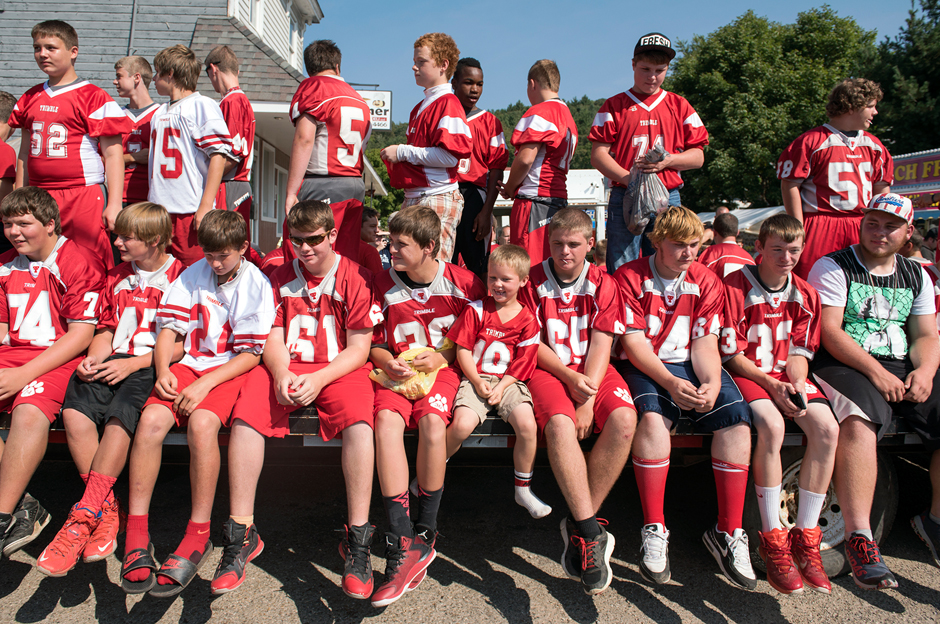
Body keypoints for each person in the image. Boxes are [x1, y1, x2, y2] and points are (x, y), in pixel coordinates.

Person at [222, 201, 380, 597]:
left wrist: (321, 377)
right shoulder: (276, 274)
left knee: (361, 427)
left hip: (338, 367)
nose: (306, 249)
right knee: (245, 420)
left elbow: (359, 348)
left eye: (314, 240)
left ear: (331, 236)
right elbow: (271, 337)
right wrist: (280, 372)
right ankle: (241, 531)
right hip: (288, 365)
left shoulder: (356, 276)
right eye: (298, 241)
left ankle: (358, 540)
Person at [120, 210, 275, 596]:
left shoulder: (255, 282)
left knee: (202, 425)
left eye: (223, 255)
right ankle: (136, 532)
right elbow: (169, 330)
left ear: (243, 247)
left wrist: (205, 384)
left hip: (226, 370)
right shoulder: (192, 273)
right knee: (152, 419)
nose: (216, 262)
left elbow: (251, 354)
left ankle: (198, 532)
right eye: (209, 254)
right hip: (189, 364)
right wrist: (161, 370)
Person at [35, 202, 183, 577]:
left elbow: (188, 343)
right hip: (114, 358)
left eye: (126, 237)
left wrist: (134, 363)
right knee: (74, 412)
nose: (116, 242)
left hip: (151, 364)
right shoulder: (118, 275)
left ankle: (82, 517)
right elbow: (105, 327)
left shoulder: (182, 277)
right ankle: (103, 508)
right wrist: (95, 358)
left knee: (119, 419)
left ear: (153, 241)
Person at [612, 206, 756, 590]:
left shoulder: (706, 279)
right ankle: (654, 528)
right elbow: (633, 343)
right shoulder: (629, 276)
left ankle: (729, 531)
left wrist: (709, 380)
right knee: (654, 421)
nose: (689, 253)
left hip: (691, 363)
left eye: (695, 244)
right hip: (648, 366)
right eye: (679, 245)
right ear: (657, 241)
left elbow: (705, 341)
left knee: (736, 422)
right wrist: (671, 384)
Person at [808, 193, 940, 589]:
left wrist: (927, 371)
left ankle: (934, 521)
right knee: (860, 419)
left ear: (908, 232)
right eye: (873, 223)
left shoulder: (918, 274)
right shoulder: (833, 265)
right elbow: (829, 332)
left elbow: (925, 335)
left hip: (899, 360)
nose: (880, 232)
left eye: (890, 226)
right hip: (845, 359)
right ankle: (861, 538)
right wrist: (874, 371)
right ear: (861, 224)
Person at [369, 205, 485, 607]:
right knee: (385, 421)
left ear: (430, 247)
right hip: (398, 373)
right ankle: (400, 532)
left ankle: (426, 529)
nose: (391, 251)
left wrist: (443, 356)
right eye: (391, 243)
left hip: (442, 370)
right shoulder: (380, 284)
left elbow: (479, 337)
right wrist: (387, 361)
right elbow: (375, 341)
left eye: (401, 244)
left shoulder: (465, 283)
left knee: (434, 425)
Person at [518, 207, 637, 595]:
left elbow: (604, 341)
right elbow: (530, 342)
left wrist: (586, 397)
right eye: (557, 243)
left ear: (590, 243)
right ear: (547, 243)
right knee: (559, 424)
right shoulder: (532, 280)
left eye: (573, 244)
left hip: (592, 367)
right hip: (550, 368)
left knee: (623, 420)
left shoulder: (604, 281)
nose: (564, 251)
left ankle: (577, 522)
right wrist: (570, 379)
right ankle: (591, 532)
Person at [721, 214, 838, 595]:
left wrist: (798, 382)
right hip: (751, 374)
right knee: (771, 425)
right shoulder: (734, 287)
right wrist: (772, 384)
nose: (786, 257)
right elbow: (732, 354)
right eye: (777, 250)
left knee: (826, 428)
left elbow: (800, 351)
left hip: (786, 375)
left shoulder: (805, 293)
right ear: (758, 249)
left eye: (793, 250)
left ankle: (805, 536)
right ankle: (773, 539)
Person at [0, 187, 104, 557]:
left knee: (28, 413)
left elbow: (80, 335)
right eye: (8, 224)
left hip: (57, 359)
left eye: (24, 224)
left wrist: (21, 375)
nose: (14, 232)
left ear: (50, 224)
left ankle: (2, 514)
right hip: (15, 355)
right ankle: (25, 504)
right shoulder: (6, 264)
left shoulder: (77, 261)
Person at [9, 20, 130, 270]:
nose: (42, 54)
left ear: (73, 51)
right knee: (43, 264)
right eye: (37, 48)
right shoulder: (29, 97)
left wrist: (115, 203)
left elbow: (113, 153)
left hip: (82, 194)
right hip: (39, 195)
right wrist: (19, 193)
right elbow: (24, 152)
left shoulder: (94, 96)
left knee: (89, 263)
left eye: (51, 47)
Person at [445, 244, 549, 518]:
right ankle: (431, 472)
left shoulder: (528, 318)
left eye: (506, 279)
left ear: (524, 281)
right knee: (461, 425)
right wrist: (478, 382)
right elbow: (463, 350)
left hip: (508, 381)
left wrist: (502, 387)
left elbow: (524, 360)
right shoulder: (476, 309)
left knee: (528, 425)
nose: (498, 285)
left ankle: (523, 488)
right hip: (475, 377)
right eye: (493, 278)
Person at [589, 33, 708, 272]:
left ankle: (662, 308)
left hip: (667, 193)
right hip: (626, 194)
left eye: (659, 70)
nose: (652, 77)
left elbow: (698, 156)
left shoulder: (679, 104)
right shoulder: (613, 105)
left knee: (668, 263)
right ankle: (625, 308)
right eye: (645, 69)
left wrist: (668, 161)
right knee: (623, 264)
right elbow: (598, 154)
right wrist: (629, 179)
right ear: (633, 64)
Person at [778, 78, 894, 280]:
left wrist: (882, 226)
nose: (875, 112)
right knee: (813, 283)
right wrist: (798, 227)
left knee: (862, 284)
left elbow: (882, 193)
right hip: (820, 223)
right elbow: (790, 184)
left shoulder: (876, 147)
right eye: (871, 106)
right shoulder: (811, 141)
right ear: (853, 106)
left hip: (861, 222)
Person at [381, 33, 471, 263]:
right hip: (419, 196)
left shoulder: (448, 103)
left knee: (431, 270)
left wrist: (401, 151)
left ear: (443, 65)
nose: (414, 66)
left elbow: (451, 157)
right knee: (412, 268)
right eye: (415, 60)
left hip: (435, 196)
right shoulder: (422, 106)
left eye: (421, 61)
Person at [147, 44, 237, 266]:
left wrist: (206, 204)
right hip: (159, 210)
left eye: (157, 73)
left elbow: (218, 154)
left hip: (188, 208)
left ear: (170, 74)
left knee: (193, 274)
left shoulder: (201, 105)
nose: (154, 79)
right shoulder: (158, 112)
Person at [286, 40, 372, 261]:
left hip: (323, 182)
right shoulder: (358, 98)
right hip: (354, 183)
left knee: (310, 254)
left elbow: (305, 138)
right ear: (337, 66)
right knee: (345, 257)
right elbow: (363, 144)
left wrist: (290, 192)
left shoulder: (313, 87)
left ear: (309, 69)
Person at [500, 60, 578, 266]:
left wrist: (509, 187)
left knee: (527, 266)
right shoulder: (568, 116)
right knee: (552, 268)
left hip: (535, 201)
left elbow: (525, 159)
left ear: (532, 84)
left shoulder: (540, 112)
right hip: (558, 199)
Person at [451, 58, 508, 279]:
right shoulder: (442, 116)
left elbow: (496, 169)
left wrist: (486, 212)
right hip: (444, 192)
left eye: (480, 83)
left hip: (474, 197)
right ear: (454, 82)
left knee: (478, 269)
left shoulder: (490, 122)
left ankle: (480, 313)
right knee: (443, 264)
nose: (475, 89)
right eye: (468, 82)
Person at [204, 46, 259, 264]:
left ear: (213, 70)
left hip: (231, 184)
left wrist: (205, 181)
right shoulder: (237, 100)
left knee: (225, 245)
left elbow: (233, 154)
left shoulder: (232, 101)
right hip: (236, 183)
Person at [112, 56, 159, 206]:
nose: (114, 81)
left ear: (136, 77)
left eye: (119, 76)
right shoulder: (115, 115)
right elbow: (100, 159)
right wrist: (132, 157)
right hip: (119, 198)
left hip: (151, 199)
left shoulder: (160, 115)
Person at [698, 213, 755, 278]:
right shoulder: (750, 259)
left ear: (714, 233)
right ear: (737, 233)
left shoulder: (709, 253)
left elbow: (697, 278)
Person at [358, 207, 383, 274]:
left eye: (377, 226)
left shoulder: (340, 246)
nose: (377, 230)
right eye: (372, 226)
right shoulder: (369, 251)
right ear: (358, 226)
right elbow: (378, 280)